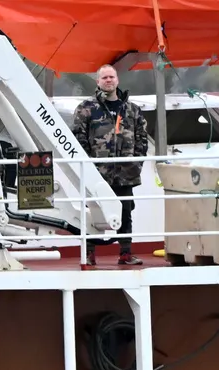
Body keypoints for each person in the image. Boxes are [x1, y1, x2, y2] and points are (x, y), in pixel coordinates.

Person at [69, 64, 148, 267]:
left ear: (117, 80)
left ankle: (125, 253)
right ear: (98, 81)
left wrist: (135, 164)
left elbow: (142, 140)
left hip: (125, 172)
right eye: (104, 78)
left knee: (125, 212)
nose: (108, 80)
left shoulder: (132, 110)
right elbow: (79, 139)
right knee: (93, 212)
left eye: (111, 77)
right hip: (97, 173)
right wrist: (88, 168)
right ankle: (89, 253)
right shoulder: (86, 108)